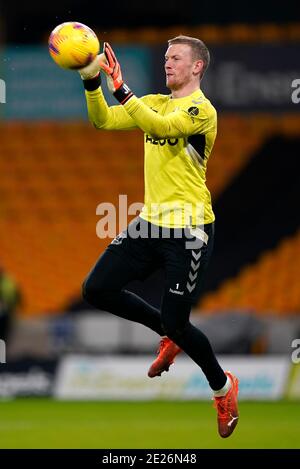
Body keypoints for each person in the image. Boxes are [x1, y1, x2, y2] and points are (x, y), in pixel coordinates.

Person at [78, 36, 239, 438]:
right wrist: (92, 82)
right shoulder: (154, 100)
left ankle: (223, 388)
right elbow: (104, 121)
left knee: (179, 323)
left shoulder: (202, 110)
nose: (167, 63)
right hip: (151, 222)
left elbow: (161, 127)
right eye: (165, 57)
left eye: (176, 58)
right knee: (96, 289)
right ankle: (166, 331)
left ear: (197, 66)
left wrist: (120, 87)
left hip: (189, 229)